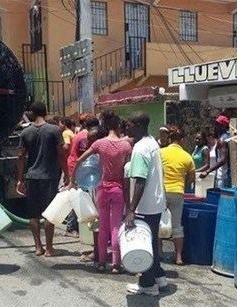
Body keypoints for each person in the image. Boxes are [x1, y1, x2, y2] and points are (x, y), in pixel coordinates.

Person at [70, 110, 131, 273]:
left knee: (103, 227)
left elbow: (79, 160)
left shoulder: (99, 144)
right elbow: (128, 170)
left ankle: (102, 263)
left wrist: (72, 180)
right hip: (119, 190)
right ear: (118, 126)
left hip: (102, 189)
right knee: (116, 227)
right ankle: (116, 264)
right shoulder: (126, 146)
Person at [16, 102, 69, 257]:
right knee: (49, 213)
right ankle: (49, 248)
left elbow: (20, 157)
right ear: (45, 112)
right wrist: (66, 173)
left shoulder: (25, 132)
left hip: (32, 177)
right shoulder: (54, 130)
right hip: (50, 177)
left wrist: (20, 179)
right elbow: (61, 153)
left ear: (32, 113)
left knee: (33, 214)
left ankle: (38, 247)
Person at [124, 112, 167, 296]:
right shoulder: (152, 143)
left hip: (145, 205)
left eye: (129, 124)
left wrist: (131, 209)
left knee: (143, 245)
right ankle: (159, 276)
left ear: (138, 125)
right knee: (152, 240)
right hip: (155, 203)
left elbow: (140, 180)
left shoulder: (140, 148)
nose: (126, 127)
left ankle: (147, 284)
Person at [161, 125, 195, 265]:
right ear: (182, 140)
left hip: (162, 192)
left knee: (160, 223)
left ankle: (159, 252)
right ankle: (179, 257)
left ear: (169, 138)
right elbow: (191, 178)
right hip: (177, 192)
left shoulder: (161, 152)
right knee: (177, 226)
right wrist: (182, 185)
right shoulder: (187, 157)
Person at [65, 117, 101, 238]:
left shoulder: (84, 134)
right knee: (78, 197)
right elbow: (82, 157)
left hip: (81, 168)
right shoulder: (85, 137)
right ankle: (71, 227)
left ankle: (84, 226)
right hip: (78, 169)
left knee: (82, 197)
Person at [200, 115, 231, 188]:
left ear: (223, 126)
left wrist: (208, 171)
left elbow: (223, 160)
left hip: (222, 176)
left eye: (218, 124)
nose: (215, 126)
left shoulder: (222, 140)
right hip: (224, 175)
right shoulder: (227, 136)